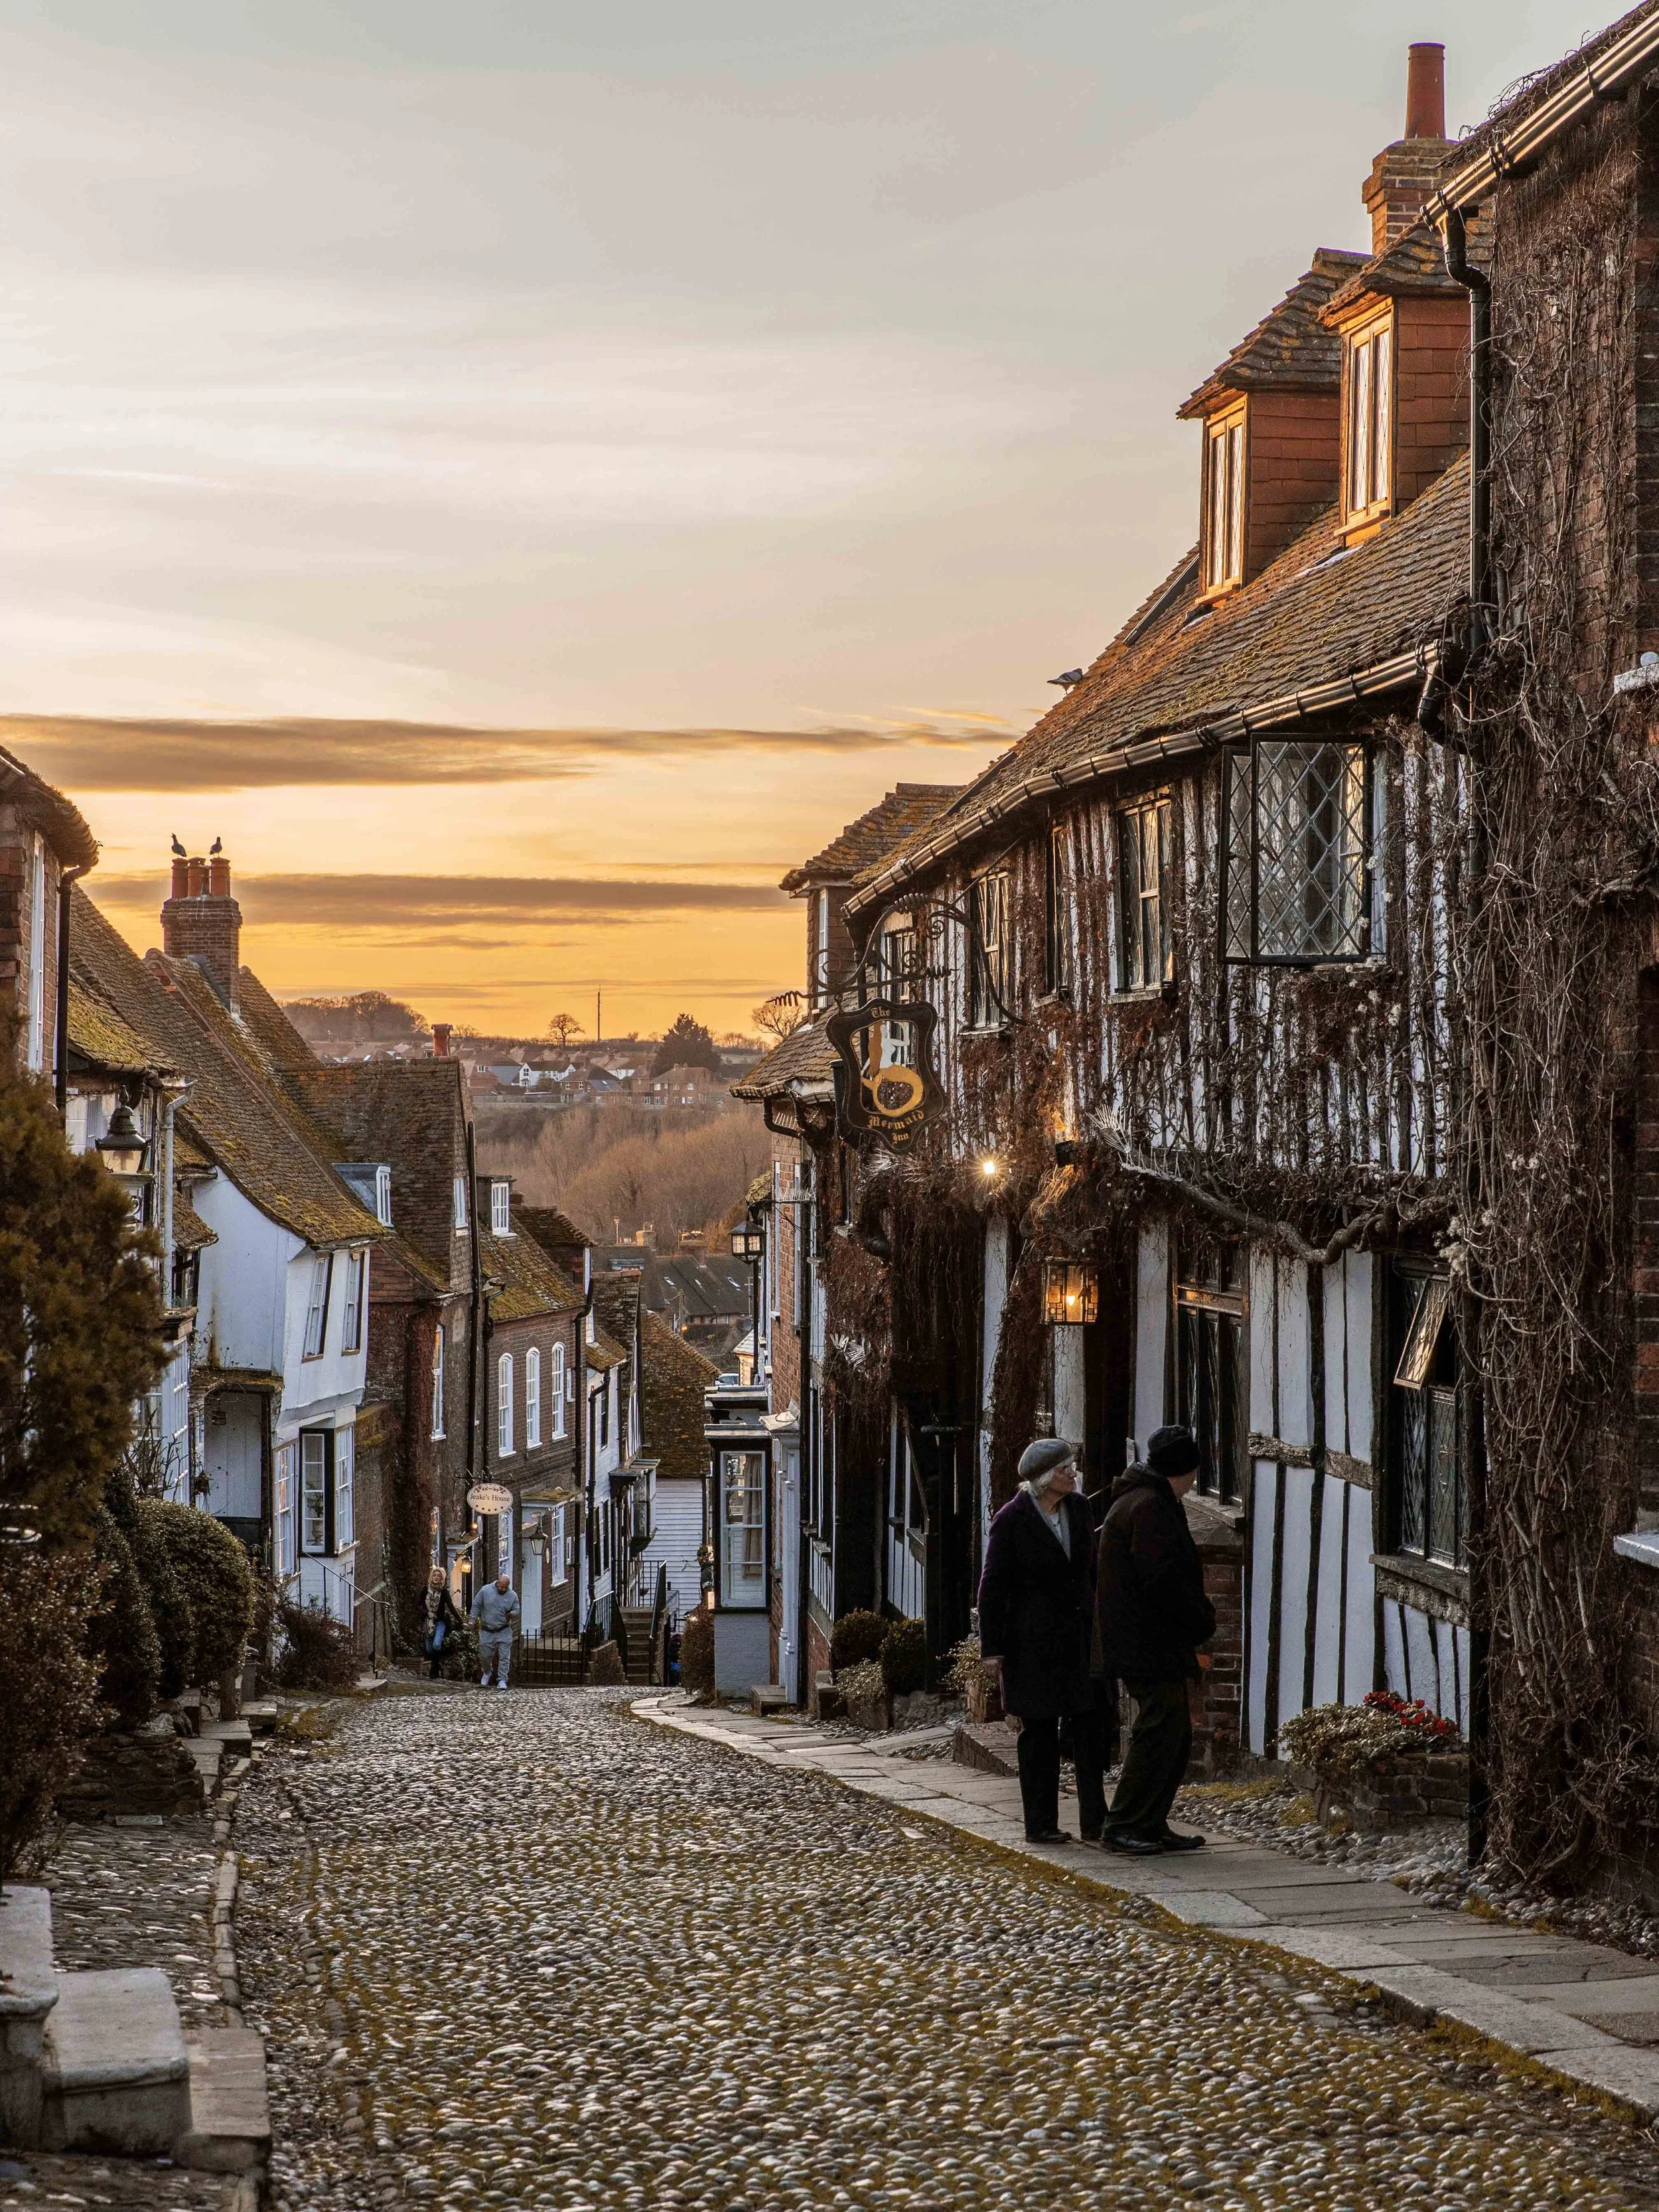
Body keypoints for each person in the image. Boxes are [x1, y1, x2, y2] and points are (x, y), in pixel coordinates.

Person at [1096, 1424, 1216, 1855]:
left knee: (1175, 1732)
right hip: (1144, 1641)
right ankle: (1124, 1822)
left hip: (1149, 1639)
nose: (1196, 1480)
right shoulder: (1148, 1506)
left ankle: (1150, 1820)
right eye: (1193, 1471)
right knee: (1158, 1730)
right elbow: (1162, 1581)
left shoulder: (1151, 1500)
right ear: (1182, 1470)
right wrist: (1200, 1619)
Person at [977, 1438, 1104, 1844]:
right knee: (1039, 1735)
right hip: (1032, 1646)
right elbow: (993, 1586)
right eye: (1066, 1468)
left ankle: (1095, 1821)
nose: (1073, 1474)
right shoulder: (1012, 1520)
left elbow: (1092, 1572)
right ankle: (1041, 1824)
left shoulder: (1080, 1510)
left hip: (1079, 1641)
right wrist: (992, 1650)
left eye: (1072, 1467)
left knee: (1089, 1729)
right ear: (1046, 1479)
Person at [472, 1568, 522, 1690]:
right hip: (487, 1629)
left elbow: (517, 1609)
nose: (503, 1589)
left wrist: (512, 1614)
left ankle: (502, 1680)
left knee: (505, 1656)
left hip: (503, 1629)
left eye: (505, 1588)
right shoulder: (486, 1590)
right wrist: (472, 1620)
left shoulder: (512, 1596)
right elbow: (476, 1604)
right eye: (501, 1587)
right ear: (498, 1583)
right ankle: (487, 1672)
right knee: (485, 1655)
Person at [421, 1566, 463, 1680]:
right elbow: (417, 1605)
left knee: (436, 1644)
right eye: (435, 1576)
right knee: (430, 1649)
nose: (436, 1578)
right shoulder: (425, 1590)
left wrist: (461, 1621)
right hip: (428, 1622)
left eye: (439, 1576)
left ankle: (434, 1671)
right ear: (431, 1577)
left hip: (440, 1621)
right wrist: (427, 1613)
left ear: (442, 1579)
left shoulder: (444, 1592)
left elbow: (451, 1607)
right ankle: (438, 1663)